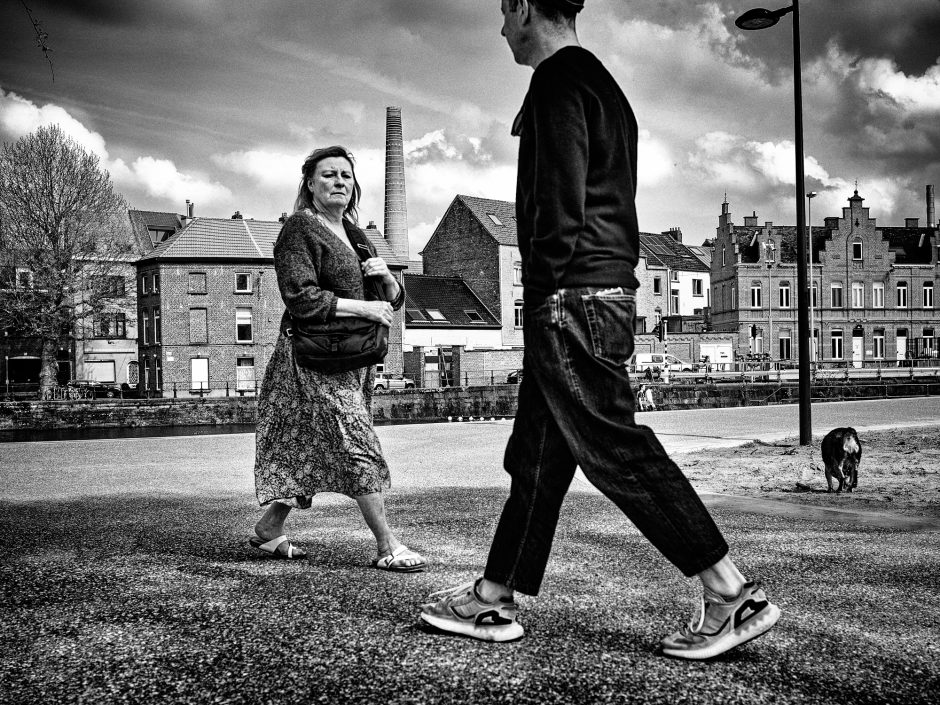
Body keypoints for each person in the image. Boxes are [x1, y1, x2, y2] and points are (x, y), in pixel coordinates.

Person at [420, 0, 779, 658]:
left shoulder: (557, 83)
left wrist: (543, 304)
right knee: (536, 455)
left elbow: (559, 208)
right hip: (601, 292)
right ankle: (491, 597)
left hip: (571, 296)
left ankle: (730, 591)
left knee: (616, 446)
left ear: (525, 7)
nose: (501, 29)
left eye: (502, 13)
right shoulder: (607, 90)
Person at [251, 145, 426, 573]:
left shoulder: (355, 232)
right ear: (310, 183)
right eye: (328, 175)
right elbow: (300, 297)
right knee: (355, 442)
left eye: (346, 176)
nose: (339, 182)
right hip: (313, 361)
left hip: (354, 358)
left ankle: (268, 529)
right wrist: (363, 307)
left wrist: (387, 280)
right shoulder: (298, 230)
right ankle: (387, 545)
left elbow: (391, 301)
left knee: (309, 446)